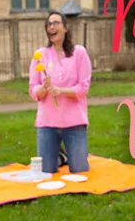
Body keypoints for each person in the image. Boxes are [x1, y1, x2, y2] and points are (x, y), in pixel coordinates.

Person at [29, 11, 92, 175]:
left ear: (66, 27)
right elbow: (33, 90)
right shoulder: (40, 55)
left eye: (56, 23)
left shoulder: (79, 53)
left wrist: (60, 91)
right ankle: (60, 156)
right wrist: (44, 89)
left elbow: (83, 88)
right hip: (47, 122)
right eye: (49, 24)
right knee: (46, 171)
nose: (52, 27)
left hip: (74, 121)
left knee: (79, 171)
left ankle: (66, 155)